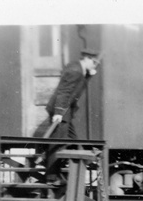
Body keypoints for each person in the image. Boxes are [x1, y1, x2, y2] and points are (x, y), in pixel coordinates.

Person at [35, 48, 100, 183]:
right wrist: (58, 113)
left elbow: (77, 87)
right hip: (62, 111)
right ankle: (52, 177)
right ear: (87, 59)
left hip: (66, 111)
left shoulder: (80, 70)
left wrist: (89, 75)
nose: (95, 65)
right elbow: (64, 92)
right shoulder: (75, 71)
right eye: (94, 62)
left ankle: (48, 161)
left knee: (73, 141)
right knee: (58, 143)